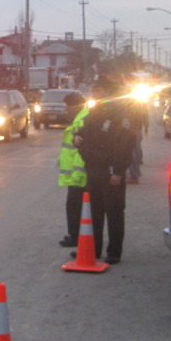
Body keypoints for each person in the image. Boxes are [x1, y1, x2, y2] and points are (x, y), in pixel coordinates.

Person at [73, 78, 142, 264]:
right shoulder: (93, 112)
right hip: (93, 169)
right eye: (93, 89)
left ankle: (114, 252)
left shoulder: (120, 115)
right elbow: (84, 133)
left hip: (111, 172)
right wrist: (77, 138)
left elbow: (124, 146)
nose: (94, 93)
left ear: (107, 92)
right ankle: (93, 249)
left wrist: (118, 171)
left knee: (114, 212)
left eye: (98, 90)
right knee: (94, 212)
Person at [56, 92, 90, 247]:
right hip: (77, 174)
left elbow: (80, 152)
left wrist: (77, 174)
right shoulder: (80, 118)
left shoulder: (82, 121)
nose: (66, 109)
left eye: (68, 106)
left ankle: (76, 237)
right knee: (75, 206)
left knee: (74, 207)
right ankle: (75, 235)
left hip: (79, 175)